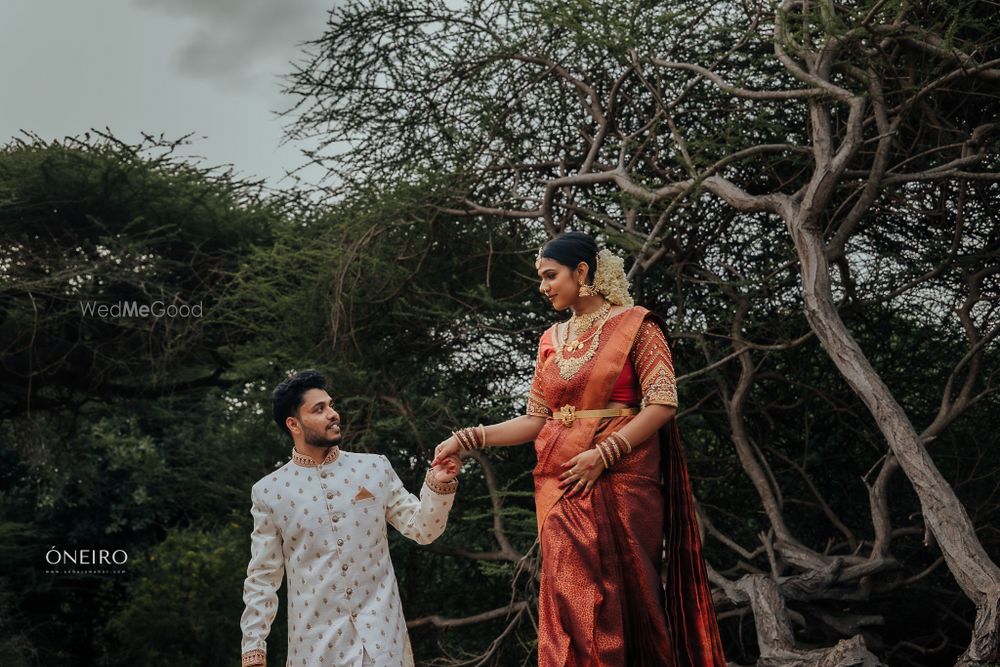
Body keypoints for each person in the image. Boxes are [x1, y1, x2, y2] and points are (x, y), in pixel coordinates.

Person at [432, 231, 726, 666]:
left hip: (623, 478)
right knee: (570, 593)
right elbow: (536, 420)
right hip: (561, 480)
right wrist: (469, 438)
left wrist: (604, 454)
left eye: (551, 275)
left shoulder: (636, 325)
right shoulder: (551, 338)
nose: (543, 286)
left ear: (582, 271)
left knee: (626, 597)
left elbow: (663, 402)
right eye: (541, 278)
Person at [240, 370, 461, 667]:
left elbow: (424, 529)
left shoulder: (373, 469)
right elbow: (263, 577)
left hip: (384, 644)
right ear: (293, 424)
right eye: (319, 409)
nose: (333, 414)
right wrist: (253, 649)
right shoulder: (270, 492)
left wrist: (439, 484)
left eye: (331, 405)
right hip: (316, 649)